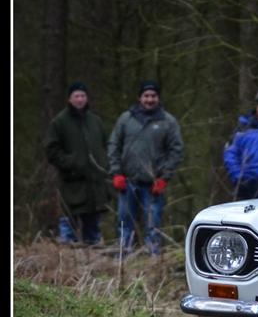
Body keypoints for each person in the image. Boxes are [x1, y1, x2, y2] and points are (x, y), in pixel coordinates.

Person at [108, 80, 184, 256]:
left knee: (153, 226)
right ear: (139, 97)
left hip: (153, 185)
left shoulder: (168, 122)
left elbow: (176, 151)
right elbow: (114, 145)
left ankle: (153, 260)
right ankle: (123, 259)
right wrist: (116, 172)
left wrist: (164, 177)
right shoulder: (126, 119)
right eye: (146, 96)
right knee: (124, 223)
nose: (150, 99)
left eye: (153, 96)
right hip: (127, 182)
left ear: (158, 98)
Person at [43, 81, 111, 245]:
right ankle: (66, 259)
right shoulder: (59, 122)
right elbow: (51, 150)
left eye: (82, 96)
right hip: (71, 183)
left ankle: (92, 259)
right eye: (76, 96)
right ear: (69, 99)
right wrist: (71, 163)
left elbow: (105, 145)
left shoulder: (95, 121)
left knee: (93, 226)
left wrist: (103, 165)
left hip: (94, 183)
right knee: (68, 221)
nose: (80, 99)